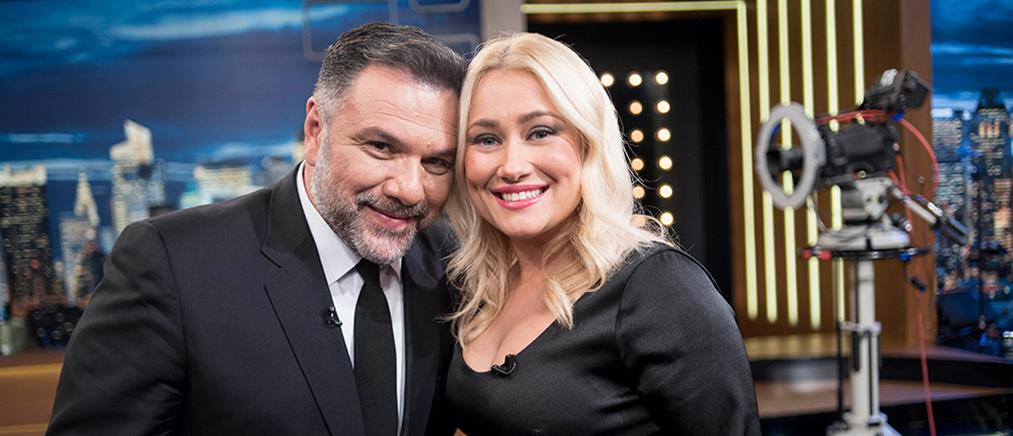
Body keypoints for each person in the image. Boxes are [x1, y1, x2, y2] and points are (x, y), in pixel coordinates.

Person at [48, 23, 465, 436]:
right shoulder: (170, 264)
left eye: (436, 163)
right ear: (316, 131)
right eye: (381, 147)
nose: (410, 189)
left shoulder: (453, 265)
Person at [443, 32, 760, 435]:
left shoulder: (660, 286)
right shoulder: (480, 285)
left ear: (588, 143)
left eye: (540, 132)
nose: (512, 166)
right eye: (486, 139)